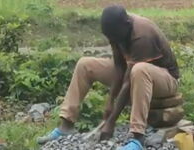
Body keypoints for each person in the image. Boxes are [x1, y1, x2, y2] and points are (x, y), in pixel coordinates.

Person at [38, 5, 180, 150]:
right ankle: (66, 125)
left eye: (115, 37)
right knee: (85, 64)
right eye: (110, 37)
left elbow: (128, 82)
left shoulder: (142, 35)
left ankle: (138, 137)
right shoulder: (116, 30)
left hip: (166, 80)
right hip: (134, 74)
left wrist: (111, 121)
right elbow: (119, 67)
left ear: (127, 25)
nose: (113, 40)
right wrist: (110, 101)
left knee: (139, 70)